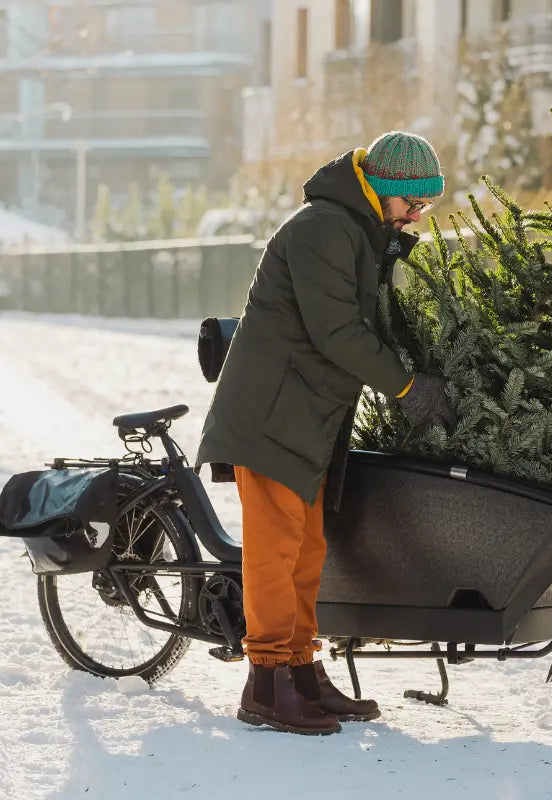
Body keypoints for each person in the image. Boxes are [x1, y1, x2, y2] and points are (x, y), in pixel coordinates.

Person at [195, 131, 455, 735]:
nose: (417, 216)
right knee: (274, 554)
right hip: (273, 416)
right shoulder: (323, 229)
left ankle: (302, 673)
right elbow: (337, 332)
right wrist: (411, 388)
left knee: (307, 552)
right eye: (411, 203)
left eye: (424, 207)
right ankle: (265, 685)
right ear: (381, 191)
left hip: (306, 418)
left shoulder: (357, 233)